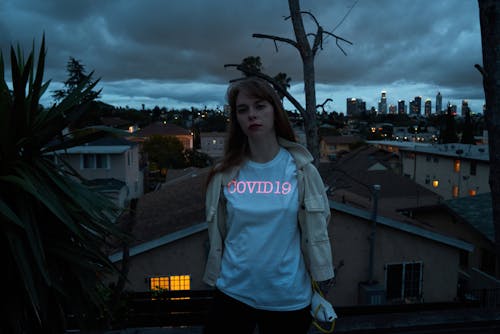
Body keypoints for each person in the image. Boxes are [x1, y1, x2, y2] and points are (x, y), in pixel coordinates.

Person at [203, 77, 334, 334]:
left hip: (287, 299)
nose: (252, 114)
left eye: (259, 106)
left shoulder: (302, 171)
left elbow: (318, 229)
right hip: (232, 293)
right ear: (237, 119)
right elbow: (220, 230)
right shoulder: (223, 174)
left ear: (275, 111)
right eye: (243, 110)